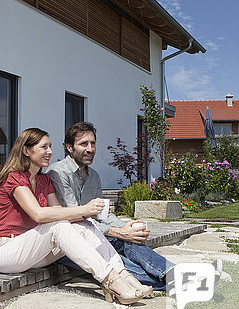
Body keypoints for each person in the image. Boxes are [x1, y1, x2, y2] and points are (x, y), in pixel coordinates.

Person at [0, 128, 147, 305]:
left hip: (32, 253)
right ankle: (110, 279)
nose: (50, 152)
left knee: (83, 225)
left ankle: (124, 275)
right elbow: (38, 214)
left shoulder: (43, 180)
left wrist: (87, 216)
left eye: (50, 146)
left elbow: (59, 212)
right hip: (6, 250)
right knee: (60, 225)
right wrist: (85, 209)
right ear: (26, 150)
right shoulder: (15, 178)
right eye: (43, 147)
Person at [48, 122, 174, 291]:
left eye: (93, 143)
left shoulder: (93, 176)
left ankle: (172, 272)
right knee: (119, 263)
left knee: (131, 243)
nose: (90, 149)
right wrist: (118, 232)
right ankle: (171, 282)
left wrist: (126, 227)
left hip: (94, 233)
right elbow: (74, 218)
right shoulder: (57, 173)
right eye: (83, 144)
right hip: (71, 244)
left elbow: (103, 215)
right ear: (69, 147)